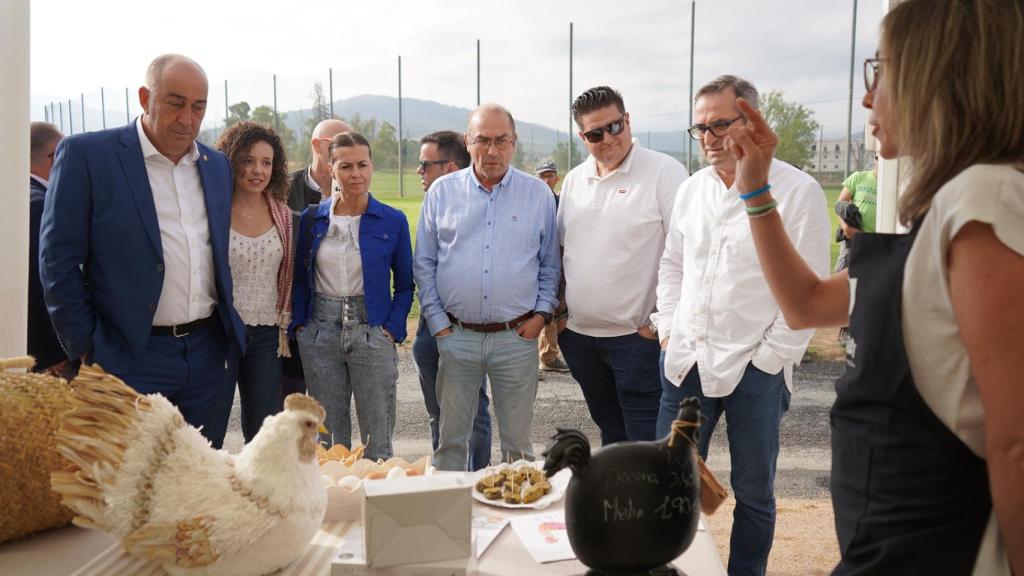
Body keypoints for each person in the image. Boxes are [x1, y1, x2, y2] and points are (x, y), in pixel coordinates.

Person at [722, 1, 1023, 573]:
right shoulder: (940, 211)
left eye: (880, 73)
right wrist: (755, 189)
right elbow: (805, 304)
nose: (867, 98)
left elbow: (1017, 442)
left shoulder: (984, 199)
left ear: (939, 77)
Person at [654, 75, 829, 576]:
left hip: (756, 366)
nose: (707, 137)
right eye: (699, 127)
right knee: (674, 484)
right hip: (687, 360)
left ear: (752, 122)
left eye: (719, 124)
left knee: (754, 492)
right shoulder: (691, 191)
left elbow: (811, 285)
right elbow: (672, 267)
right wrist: (668, 331)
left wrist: (769, 358)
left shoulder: (799, 192)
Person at [39, 54, 245, 435]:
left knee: (197, 481)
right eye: (175, 103)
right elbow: (57, 260)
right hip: (128, 356)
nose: (188, 118)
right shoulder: (88, 156)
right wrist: (88, 347)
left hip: (206, 354)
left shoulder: (216, 165)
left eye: (198, 107)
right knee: (124, 483)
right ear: (144, 97)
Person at [414, 103, 559, 471]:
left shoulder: (538, 195)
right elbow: (425, 263)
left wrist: (541, 316)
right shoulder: (442, 193)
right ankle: (450, 524)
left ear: (514, 143)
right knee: (451, 443)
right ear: (468, 142)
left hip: (516, 337)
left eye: (501, 141)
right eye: (482, 140)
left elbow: (549, 265)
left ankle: (513, 522)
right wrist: (438, 324)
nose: (492, 150)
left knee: (518, 449)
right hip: (457, 335)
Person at [557, 86, 689, 444]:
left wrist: (659, 321)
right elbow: (562, 250)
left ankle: (648, 503)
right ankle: (618, 501)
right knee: (612, 440)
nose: (608, 139)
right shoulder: (574, 180)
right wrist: (562, 320)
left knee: (648, 447)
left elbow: (689, 253)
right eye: (595, 133)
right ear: (582, 136)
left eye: (614, 127)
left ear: (627, 120)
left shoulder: (664, 172)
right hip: (582, 339)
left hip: (637, 340)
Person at [291, 132, 413, 460]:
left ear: (372, 166)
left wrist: (391, 330)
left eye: (362, 164)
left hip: (372, 331)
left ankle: (377, 505)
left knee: (378, 440)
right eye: (345, 166)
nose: (355, 173)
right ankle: (336, 508)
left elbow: (404, 284)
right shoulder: (311, 219)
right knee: (328, 441)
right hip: (320, 333)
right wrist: (301, 327)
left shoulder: (393, 220)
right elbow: (300, 280)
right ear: (331, 169)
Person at [202, 121, 294, 448]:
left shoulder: (282, 215)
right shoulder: (213, 213)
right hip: (219, 332)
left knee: (263, 434)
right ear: (231, 160)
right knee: (208, 430)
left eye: (266, 162)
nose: (258, 171)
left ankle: (257, 498)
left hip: (268, 336)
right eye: (248, 160)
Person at [412, 130, 493, 471]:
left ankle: (476, 487)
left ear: (448, 168)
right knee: (438, 415)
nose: (419, 172)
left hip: (466, 328)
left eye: (424, 165)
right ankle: (445, 487)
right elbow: (423, 266)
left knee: (472, 414)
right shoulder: (433, 204)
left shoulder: (482, 208)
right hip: (431, 327)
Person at [282, 118, 352, 400]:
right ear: (316, 145)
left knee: (331, 410)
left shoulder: (354, 191)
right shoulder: (283, 189)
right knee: (291, 406)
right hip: (292, 317)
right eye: (337, 144)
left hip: (339, 321)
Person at [28, 122, 69, 378]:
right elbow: (37, 284)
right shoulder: (39, 206)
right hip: (46, 357)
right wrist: (50, 353)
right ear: (55, 156)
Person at [534, 160, 569, 374]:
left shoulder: (561, 202)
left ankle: (550, 354)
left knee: (557, 307)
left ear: (557, 178)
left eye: (550, 175)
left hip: (560, 261)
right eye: (542, 176)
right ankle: (543, 358)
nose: (547, 180)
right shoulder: (531, 202)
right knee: (537, 309)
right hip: (537, 263)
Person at [287, 118, 352, 212]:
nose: (348, 152)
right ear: (317, 145)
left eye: (351, 145)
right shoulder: (284, 189)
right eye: (341, 143)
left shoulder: (354, 188)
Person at [834, 154, 878, 273]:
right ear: (875, 160)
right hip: (853, 239)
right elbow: (839, 205)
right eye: (877, 158)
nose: (880, 162)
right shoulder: (859, 177)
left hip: (878, 242)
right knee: (844, 278)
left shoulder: (894, 184)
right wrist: (846, 228)